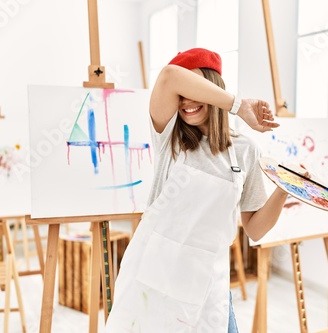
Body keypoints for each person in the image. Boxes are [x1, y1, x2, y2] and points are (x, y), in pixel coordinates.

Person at [105, 47, 289, 332]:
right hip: (153, 282)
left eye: (197, 89)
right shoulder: (170, 137)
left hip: (207, 286)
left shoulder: (244, 150)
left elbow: (254, 229)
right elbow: (168, 78)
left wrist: (284, 189)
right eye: (183, 93)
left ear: (212, 89)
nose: (186, 101)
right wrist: (239, 106)